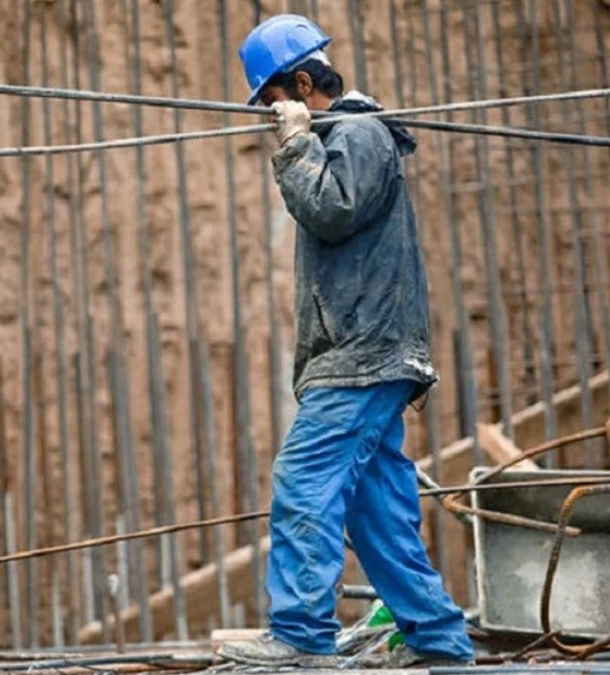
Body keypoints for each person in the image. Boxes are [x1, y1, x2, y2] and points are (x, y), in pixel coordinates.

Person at [217, 14, 474, 669]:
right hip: (366, 351)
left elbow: (330, 211)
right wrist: (306, 139)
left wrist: (297, 145)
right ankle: (437, 636)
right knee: (377, 506)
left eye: (274, 102)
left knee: (304, 479)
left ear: (302, 83)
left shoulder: (359, 133)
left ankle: (300, 634)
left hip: (362, 354)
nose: (269, 117)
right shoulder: (346, 134)